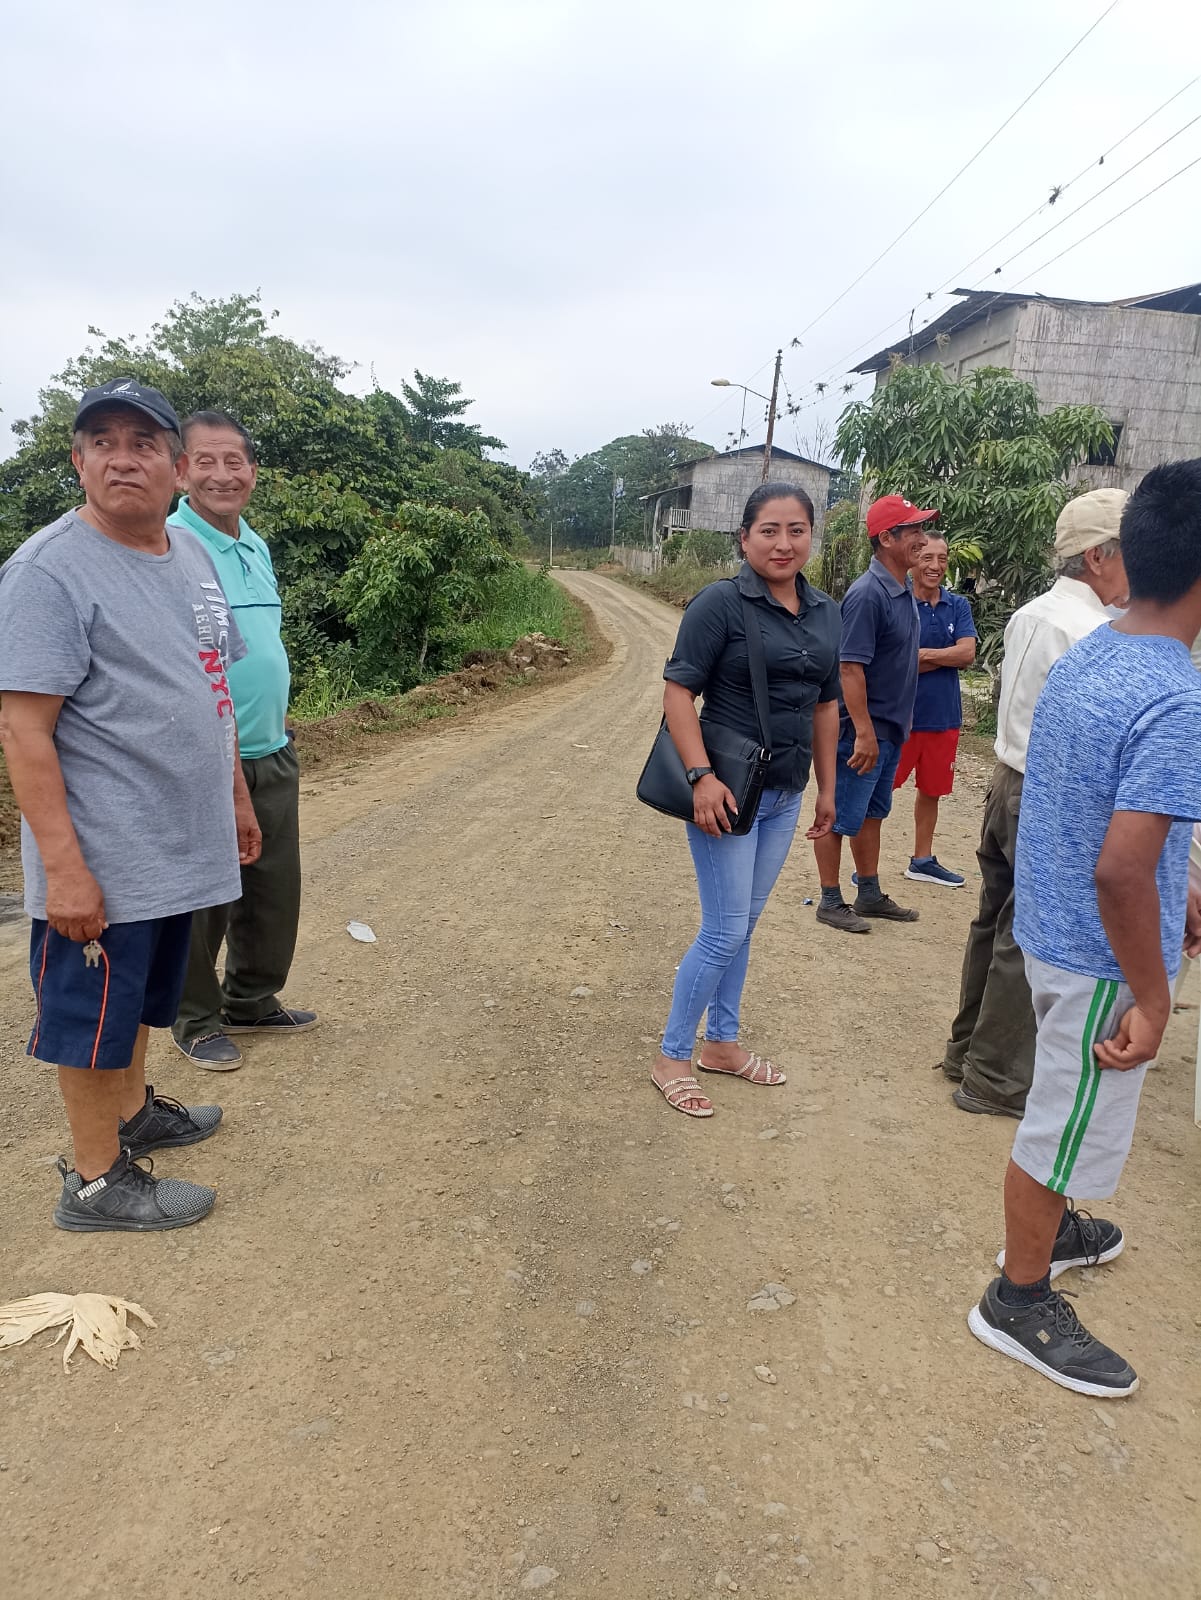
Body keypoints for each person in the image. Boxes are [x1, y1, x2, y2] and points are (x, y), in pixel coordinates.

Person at [0, 379, 261, 1232]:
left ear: (176, 469)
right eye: (102, 442)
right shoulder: (47, 572)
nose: (123, 459)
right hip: (105, 852)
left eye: (143, 443)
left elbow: (211, 687)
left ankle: (133, 1113)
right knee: (91, 1016)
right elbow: (23, 731)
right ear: (77, 462)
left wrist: (234, 798)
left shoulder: (188, 555)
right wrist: (65, 872)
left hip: (175, 842)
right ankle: (94, 1180)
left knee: (141, 1000)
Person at [968, 459, 1201, 1398]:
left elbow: (1083, 805)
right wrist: (1152, 996)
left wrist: (1181, 887)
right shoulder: (1176, 696)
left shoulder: (1097, 650)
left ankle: (1053, 1231)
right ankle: (1016, 1298)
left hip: (1054, 931)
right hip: (1102, 959)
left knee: (1063, 1110)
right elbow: (1119, 867)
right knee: (1059, 1123)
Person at [650, 483, 840, 1117]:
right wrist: (701, 776)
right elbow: (679, 692)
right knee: (724, 928)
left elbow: (826, 705)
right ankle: (672, 1055)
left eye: (796, 530)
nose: (784, 543)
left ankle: (722, 1044)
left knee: (744, 925)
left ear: (811, 535)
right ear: (744, 537)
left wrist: (827, 788)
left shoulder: (825, 611)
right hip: (727, 793)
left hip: (785, 793)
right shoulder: (720, 604)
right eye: (769, 530)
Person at [941, 490, 1129, 1117]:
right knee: (1026, 937)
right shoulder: (1094, 632)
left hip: (1008, 780)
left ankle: (966, 1051)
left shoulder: (1033, 613)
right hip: (1047, 792)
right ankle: (995, 1079)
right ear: (1098, 556)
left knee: (993, 922)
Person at [169, 411, 316, 1068]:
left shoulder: (253, 544)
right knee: (205, 899)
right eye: (205, 461)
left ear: (253, 472)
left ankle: (251, 1000)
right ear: (181, 472)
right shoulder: (170, 545)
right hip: (204, 760)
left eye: (234, 462)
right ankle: (195, 1020)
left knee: (272, 891)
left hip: (270, 748)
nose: (222, 475)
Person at [813, 494, 936, 934]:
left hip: (888, 729)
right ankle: (830, 899)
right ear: (886, 538)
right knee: (837, 815)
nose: (922, 539)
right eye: (913, 530)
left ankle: (868, 892)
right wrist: (863, 731)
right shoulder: (868, 594)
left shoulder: (901, 590)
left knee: (872, 812)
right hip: (861, 732)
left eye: (922, 529)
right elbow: (850, 667)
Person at [891, 533, 976, 886]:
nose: (935, 566)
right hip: (899, 716)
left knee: (932, 791)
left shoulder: (958, 605)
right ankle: (864, 867)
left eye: (942, 558)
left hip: (943, 717)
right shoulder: (896, 602)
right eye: (927, 558)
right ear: (913, 560)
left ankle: (922, 860)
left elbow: (967, 654)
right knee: (878, 789)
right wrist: (943, 657)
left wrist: (922, 655)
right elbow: (893, 662)